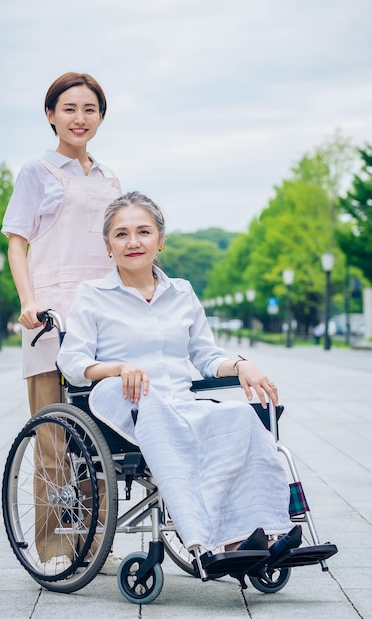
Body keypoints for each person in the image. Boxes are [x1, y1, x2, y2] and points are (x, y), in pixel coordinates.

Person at [57, 191, 302, 571]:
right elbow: (72, 362)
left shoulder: (182, 292)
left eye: (143, 231)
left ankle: (258, 533)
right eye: (121, 234)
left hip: (178, 401)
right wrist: (118, 367)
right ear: (108, 246)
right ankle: (207, 542)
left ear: (160, 240)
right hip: (123, 399)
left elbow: (204, 354)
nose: (133, 242)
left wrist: (241, 365)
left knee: (240, 416)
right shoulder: (93, 295)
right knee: (159, 413)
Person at [1, 72, 122, 575]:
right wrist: (28, 302)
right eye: (69, 108)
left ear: (100, 116)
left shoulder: (110, 179)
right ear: (51, 115)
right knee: (54, 436)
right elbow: (17, 242)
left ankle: (94, 541)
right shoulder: (37, 173)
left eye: (89, 109)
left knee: (102, 436)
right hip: (50, 315)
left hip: (101, 313)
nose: (79, 118)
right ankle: (54, 547)